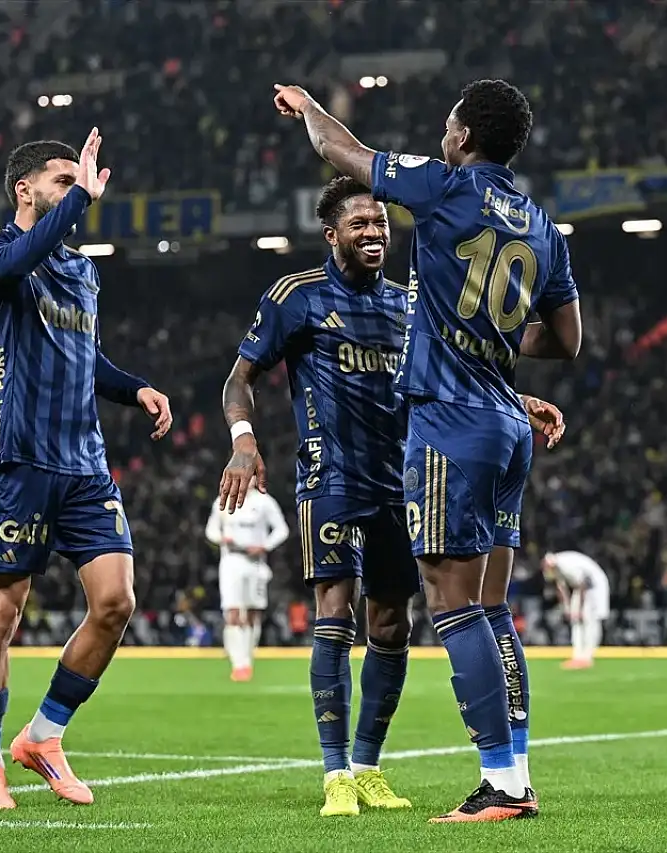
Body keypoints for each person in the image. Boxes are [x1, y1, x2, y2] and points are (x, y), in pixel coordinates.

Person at [272, 80, 579, 823]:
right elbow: (567, 340)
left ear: (464, 136)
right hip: (507, 426)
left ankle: (500, 784)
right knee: (493, 606)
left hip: (449, 423)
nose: (442, 137)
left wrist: (308, 108)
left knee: (452, 605)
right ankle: (517, 773)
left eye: (447, 127)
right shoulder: (544, 226)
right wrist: (494, 342)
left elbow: (340, 150)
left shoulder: (445, 187)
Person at [0, 131, 173, 810]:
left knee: (115, 602)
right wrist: (80, 197)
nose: (75, 188)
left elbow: (85, 355)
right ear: (25, 190)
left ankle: (44, 736)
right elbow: (17, 262)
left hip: (84, 464)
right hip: (16, 457)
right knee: (2, 610)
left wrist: (135, 387)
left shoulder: (82, 269)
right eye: (62, 180)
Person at [219, 176, 418, 817]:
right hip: (328, 477)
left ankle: (368, 768)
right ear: (332, 234)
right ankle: (335, 775)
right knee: (335, 613)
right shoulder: (296, 296)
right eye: (360, 224)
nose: (375, 233)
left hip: (399, 483)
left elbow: (444, 380)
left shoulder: (407, 304)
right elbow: (240, 379)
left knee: (392, 623)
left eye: (380, 223)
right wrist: (244, 442)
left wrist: (514, 398)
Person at [204, 474, 289, 681]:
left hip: (255, 562)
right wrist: (221, 538)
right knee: (232, 611)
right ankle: (238, 663)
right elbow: (211, 529)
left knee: (252, 613)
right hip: (232, 560)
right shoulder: (224, 500)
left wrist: (264, 546)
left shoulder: (265, 502)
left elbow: (282, 529)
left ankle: (247, 658)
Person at [541, 551, 610, 669]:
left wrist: (580, 609)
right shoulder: (554, 569)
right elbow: (561, 588)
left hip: (594, 586)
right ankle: (577, 656)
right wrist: (567, 608)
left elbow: (582, 584)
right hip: (581, 588)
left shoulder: (566, 566)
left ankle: (587, 656)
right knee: (575, 620)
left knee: (590, 620)